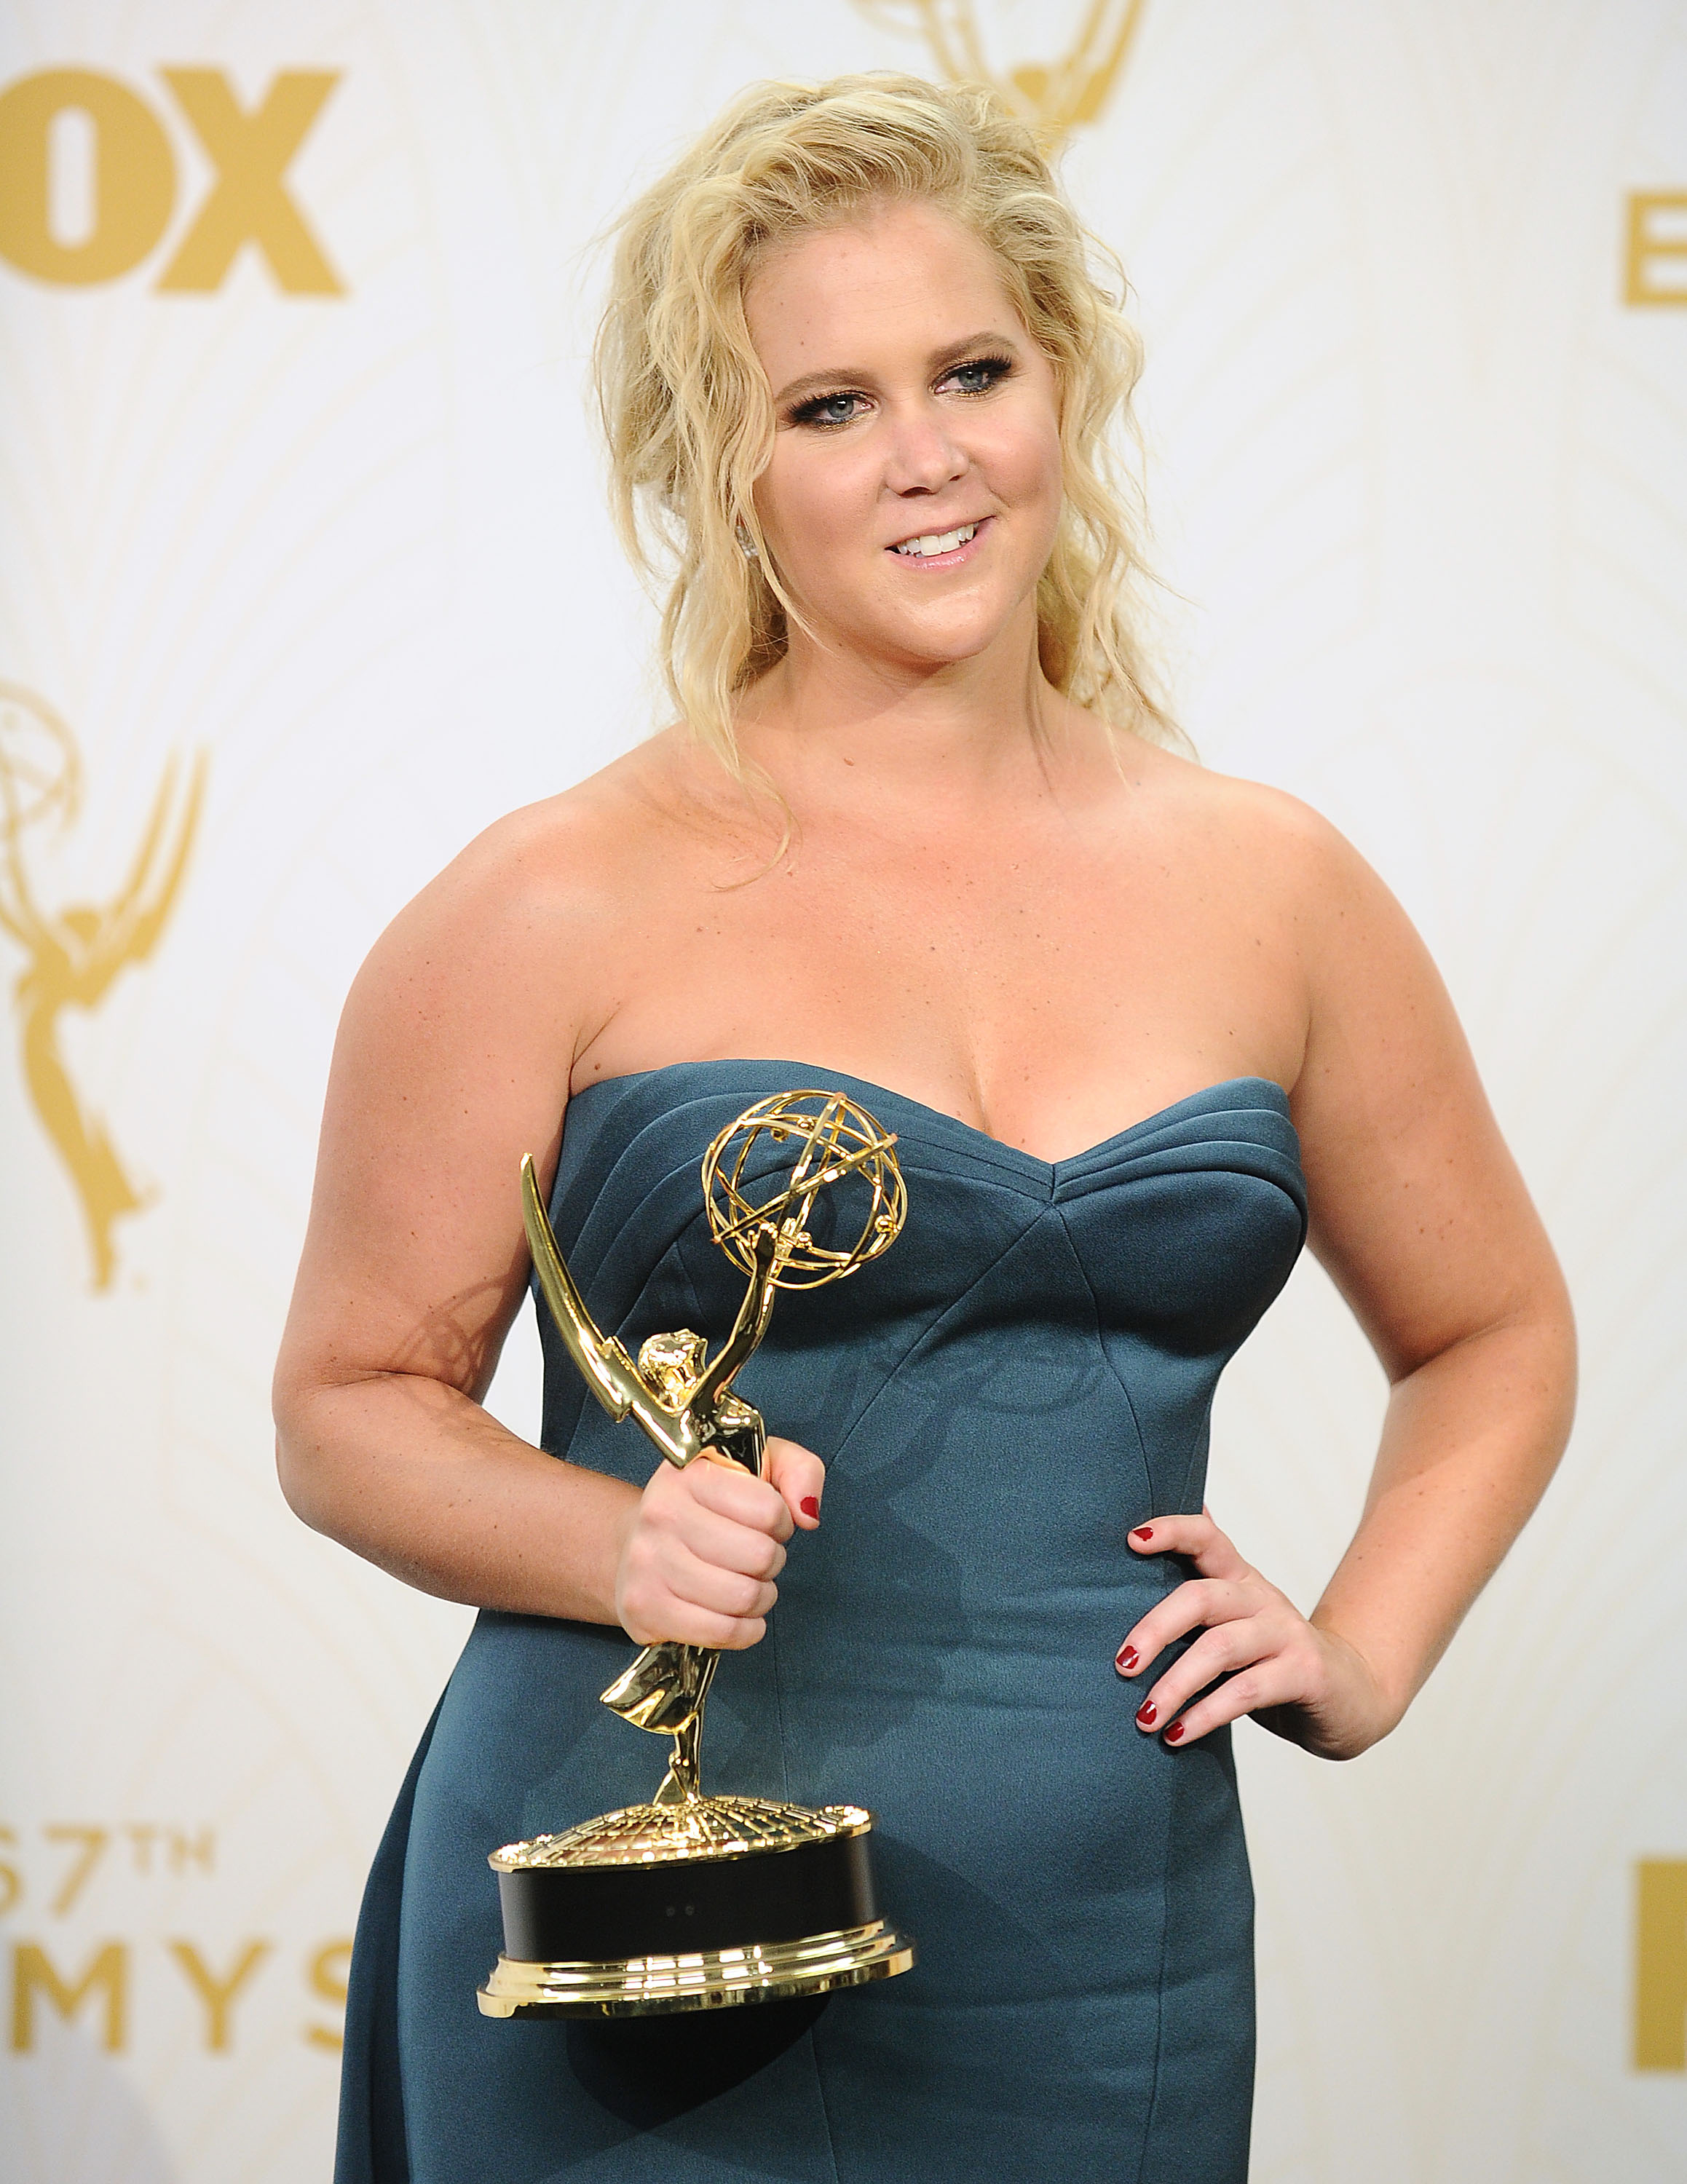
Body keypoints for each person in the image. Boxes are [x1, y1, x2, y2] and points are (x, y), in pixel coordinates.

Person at [272, 72, 1575, 2184]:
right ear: (720, 467)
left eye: (973, 369)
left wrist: (1362, 1649)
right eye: (829, 405)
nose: (929, 455)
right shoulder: (552, 900)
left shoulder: (1277, 887)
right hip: (646, 1948)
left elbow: (1496, 1334)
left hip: (1100, 1967)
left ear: (1061, 381)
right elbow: (347, 1403)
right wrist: (605, 1538)